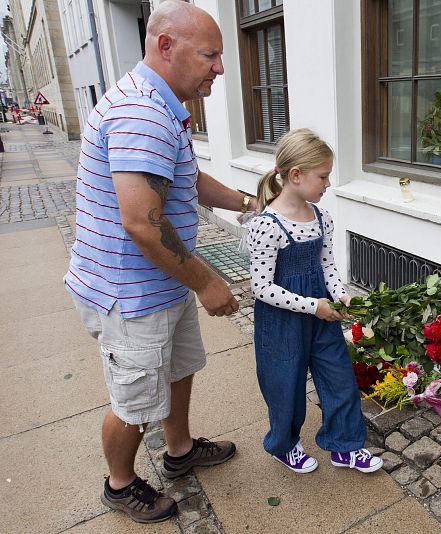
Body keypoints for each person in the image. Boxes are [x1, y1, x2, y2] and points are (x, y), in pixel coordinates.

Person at [63, 1, 253, 524]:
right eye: (210, 55)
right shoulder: (143, 113)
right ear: (166, 47)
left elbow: (186, 181)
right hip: (130, 295)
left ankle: (180, 451)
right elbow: (143, 223)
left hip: (159, 285)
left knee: (178, 369)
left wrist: (247, 202)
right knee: (135, 402)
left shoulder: (161, 104)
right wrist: (208, 282)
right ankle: (120, 485)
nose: (220, 67)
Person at [246, 128, 383, 474]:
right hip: (281, 323)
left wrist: (339, 295)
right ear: (295, 175)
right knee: (285, 385)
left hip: (323, 318)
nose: (327, 183)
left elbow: (327, 266)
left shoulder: (322, 218)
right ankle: (284, 444)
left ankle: (344, 446)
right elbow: (261, 288)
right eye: (322, 176)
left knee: (339, 378)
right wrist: (313, 306)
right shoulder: (266, 226)